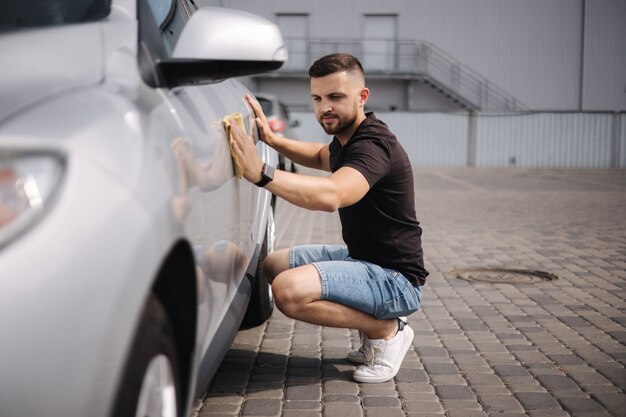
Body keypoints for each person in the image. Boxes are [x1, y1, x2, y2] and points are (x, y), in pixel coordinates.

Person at [228, 53, 428, 383]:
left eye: (336, 97)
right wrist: (272, 139)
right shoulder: (346, 140)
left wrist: (261, 173)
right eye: (317, 98)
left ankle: (387, 330)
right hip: (363, 259)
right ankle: (374, 332)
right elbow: (322, 155)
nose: (324, 108)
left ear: (362, 97)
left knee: (288, 291)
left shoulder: (373, 145)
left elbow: (332, 195)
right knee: (274, 264)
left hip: (396, 279)